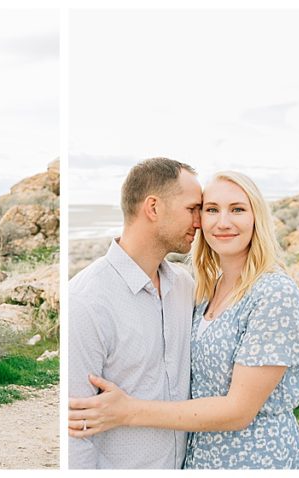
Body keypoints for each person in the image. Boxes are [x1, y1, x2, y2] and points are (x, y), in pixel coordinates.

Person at [68, 171, 299, 469]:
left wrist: (128, 411)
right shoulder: (201, 290)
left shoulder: (272, 292)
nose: (215, 222)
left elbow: (238, 410)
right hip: (200, 463)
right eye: (207, 209)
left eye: (237, 209)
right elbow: (75, 422)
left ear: (256, 218)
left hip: (258, 461)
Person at [68, 157, 202, 469]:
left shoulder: (184, 287)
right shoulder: (86, 300)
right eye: (191, 208)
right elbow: (76, 429)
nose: (199, 221)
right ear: (153, 208)